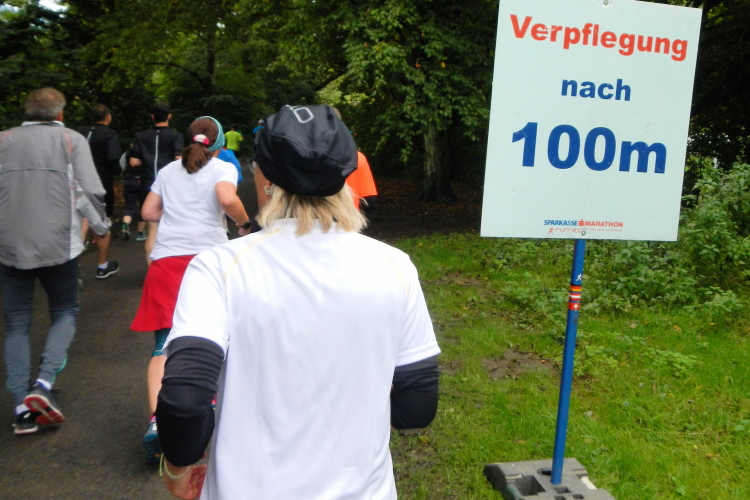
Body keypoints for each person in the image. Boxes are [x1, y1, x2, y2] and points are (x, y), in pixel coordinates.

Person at [155, 105, 440, 499]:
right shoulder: (395, 266)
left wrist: (177, 467)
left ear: (266, 177)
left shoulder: (218, 267)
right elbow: (417, 407)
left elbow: (185, 399)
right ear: (346, 174)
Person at [131, 116, 250, 464]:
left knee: (163, 344)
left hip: (167, 262)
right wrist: (244, 224)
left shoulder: (169, 170)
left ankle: (158, 421)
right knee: (217, 336)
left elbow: (148, 211)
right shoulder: (222, 168)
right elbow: (226, 198)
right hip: (209, 262)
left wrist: (178, 213)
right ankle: (213, 411)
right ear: (219, 144)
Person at [0, 88, 112, 435]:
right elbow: (89, 190)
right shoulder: (70, 140)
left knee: (16, 324)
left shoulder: (2, 140)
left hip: (8, 246)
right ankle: (43, 384)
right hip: (59, 244)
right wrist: (100, 227)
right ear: (60, 114)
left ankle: (21, 409)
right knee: (64, 311)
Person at [129, 103, 184, 264]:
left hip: (148, 184)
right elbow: (178, 159)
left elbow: (133, 162)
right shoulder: (176, 136)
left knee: (152, 229)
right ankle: (173, 266)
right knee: (175, 225)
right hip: (170, 186)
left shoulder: (140, 136)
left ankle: (151, 269)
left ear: (152, 117)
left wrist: (146, 161)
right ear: (169, 116)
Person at [77, 104, 121, 278]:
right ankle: (102, 266)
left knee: (80, 221)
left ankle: (73, 266)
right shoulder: (109, 134)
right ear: (108, 117)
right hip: (99, 182)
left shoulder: (79, 132)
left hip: (75, 182)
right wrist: (118, 171)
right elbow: (112, 157)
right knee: (102, 222)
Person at [120, 147, 149, 242]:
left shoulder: (128, 152)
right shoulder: (148, 151)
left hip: (129, 181)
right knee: (143, 208)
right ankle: (140, 233)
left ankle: (126, 224)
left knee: (130, 208)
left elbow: (122, 165)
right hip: (143, 182)